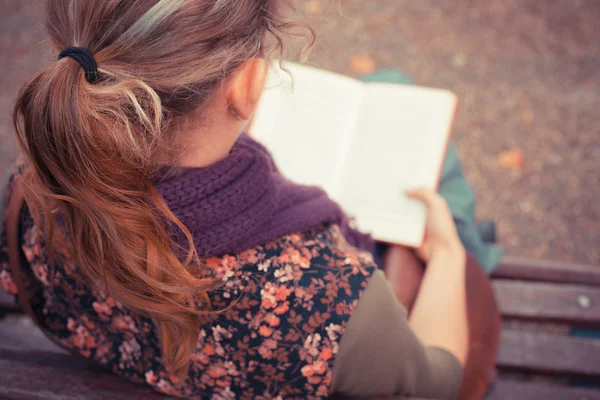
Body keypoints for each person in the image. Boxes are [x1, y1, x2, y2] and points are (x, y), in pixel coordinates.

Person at [0, 1, 469, 398]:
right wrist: (448, 256)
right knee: (435, 165)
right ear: (245, 88)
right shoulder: (329, 297)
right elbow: (435, 382)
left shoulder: (38, 189)